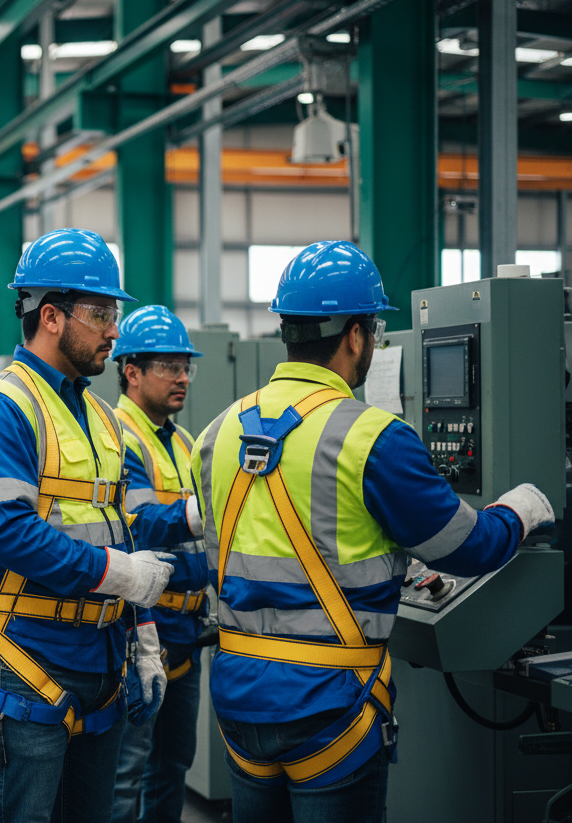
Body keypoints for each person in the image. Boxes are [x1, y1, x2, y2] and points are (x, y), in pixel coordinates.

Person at [191, 240, 554, 823]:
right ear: (356, 335)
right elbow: (468, 547)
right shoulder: (372, 437)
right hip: (329, 710)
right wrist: (523, 510)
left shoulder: (215, 434)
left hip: (240, 705)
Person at [0, 229, 177, 823]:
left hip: (103, 658)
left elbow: (119, 529)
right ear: (51, 316)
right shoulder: (0, 408)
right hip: (28, 660)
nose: (114, 330)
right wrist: (120, 575)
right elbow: (8, 531)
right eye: (100, 313)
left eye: (113, 312)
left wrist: (144, 634)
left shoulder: (101, 416)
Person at [109, 306, 208, 823]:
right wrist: (200, 512)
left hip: (186, 629)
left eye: (185, 366)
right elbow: (140, 524)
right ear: (132, 372)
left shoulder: (184, 442)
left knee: (173, 762)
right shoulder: (117, 437)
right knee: (128, 770)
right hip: (143, 630)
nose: (183, 377)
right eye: (169, 366)